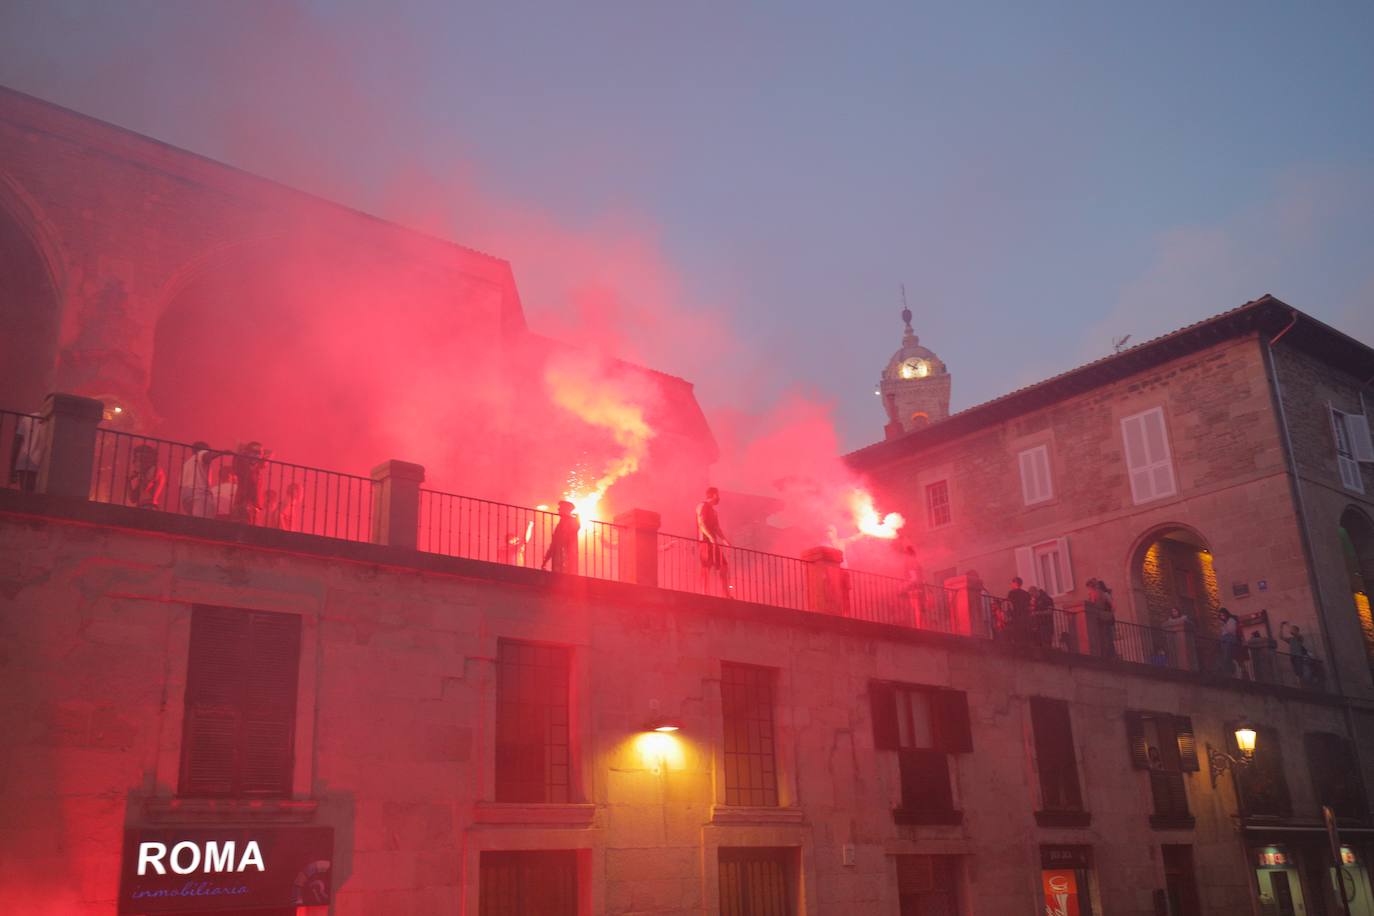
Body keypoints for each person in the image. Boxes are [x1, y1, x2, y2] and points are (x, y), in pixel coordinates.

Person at [697, 486, 732, 597]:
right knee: (706, 566)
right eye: (718, 495)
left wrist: (724, 540)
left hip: (713, 543)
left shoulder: (714, 512)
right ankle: (704, 593)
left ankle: (726, 593)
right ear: (714, 495)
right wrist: (710, 537)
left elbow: (717, 528)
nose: (719, 498)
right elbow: (701, 523)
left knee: (723, 566)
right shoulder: (702, 506)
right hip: (705, 542)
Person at [230, 441, 268, 524]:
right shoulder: (243, 466)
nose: (258, 455)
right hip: (244, 504)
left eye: (260, 453)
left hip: (252, 506)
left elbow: (271, 454)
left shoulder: (256, 469)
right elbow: (236, 462)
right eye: (255, 452)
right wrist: (243, 451)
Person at [179, 442, 220, 517]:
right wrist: (222, 453)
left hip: (186, 495)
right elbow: (206, 456)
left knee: (192, 522)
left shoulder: (187, 463)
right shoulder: (201, 454)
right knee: (203, 522)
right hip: (199, 493)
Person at [542, 500, 580, 573]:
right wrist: (546, 560)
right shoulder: (560, 525)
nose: (558, 509)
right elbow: (553, 544)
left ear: (567, 509)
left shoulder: (572, 522)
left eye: (561, 507)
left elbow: (576, 528)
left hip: (566, 563)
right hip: (558, 561)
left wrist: (577, 519)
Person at [10, 414, 45, 492]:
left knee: (26, 495)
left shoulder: (28, 418)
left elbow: (17, 442)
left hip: (25, 463)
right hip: (43, 464)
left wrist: (12, 467)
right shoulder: (53, 419)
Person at [126, 443, 166, 509]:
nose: (138, 461)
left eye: (141, 457)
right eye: (137, 458)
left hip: (149, 506)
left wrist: (140, 473)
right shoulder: (144, 474)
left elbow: (146, 487)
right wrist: (128, 481)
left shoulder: (156, 469)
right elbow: (133, 498)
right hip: (142, 506)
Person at [897, 544, 927, 625]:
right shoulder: (917, 563)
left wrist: (903, 585)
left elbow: (914, 578)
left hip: (914, 589)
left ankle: (919, 627)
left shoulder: (910, 563)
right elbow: (922, 579)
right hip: (920, 588)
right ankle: (922, 627)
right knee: (920, 609)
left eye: (905, 554)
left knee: (917, 608)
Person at [1006, 577, 1031, 644]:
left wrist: (1009, 614)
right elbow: (1029, 606)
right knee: (1024, 636)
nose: (1011, 585)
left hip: (1015, 617)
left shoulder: (1011, 593)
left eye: (1012, 583)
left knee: (1017, 636)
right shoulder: (1026, 594)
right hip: (1025, 618)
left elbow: (1010, 605)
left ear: (1015, 583)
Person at [1216, 607, 1240, 676]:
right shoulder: (1222, 622)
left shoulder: (1231, 620)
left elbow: (1231, 631)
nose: (1222, 617)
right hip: (1224, 639)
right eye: (1220, 616)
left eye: (1223, 615)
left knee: (1227, 654)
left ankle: (1228, 670)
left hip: (1230, 639)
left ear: (1226, 614)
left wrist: (1224, 626)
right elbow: (1221, 632)